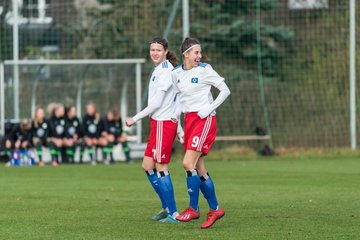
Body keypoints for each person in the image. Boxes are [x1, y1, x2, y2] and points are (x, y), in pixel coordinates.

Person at [171, 37, 231, 228]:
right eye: (196, 52)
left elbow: (225, 90)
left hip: (204, 120)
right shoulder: (176, 73)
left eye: (200, 52)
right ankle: (215, 209)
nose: (199, 56)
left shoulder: (205, 70)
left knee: (187, 163)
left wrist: (209, 108)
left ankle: (193, 208)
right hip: (189, 121)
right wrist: (179, 126)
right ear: (186, 54)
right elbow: (178, 99)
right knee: (199, 168)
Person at [126, 36, 183, 222]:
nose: (155, 53)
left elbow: (157, 103)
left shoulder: (166, 71)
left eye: (158, 50)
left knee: (161, 167)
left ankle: (173, 213)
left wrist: (134, 118)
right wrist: (179, 127)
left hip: (163, 123)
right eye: (152, 50)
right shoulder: (160, 69)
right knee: (147, 166)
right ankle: (166, 207)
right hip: (159, 123)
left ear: (166, 51)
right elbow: (174, 100)